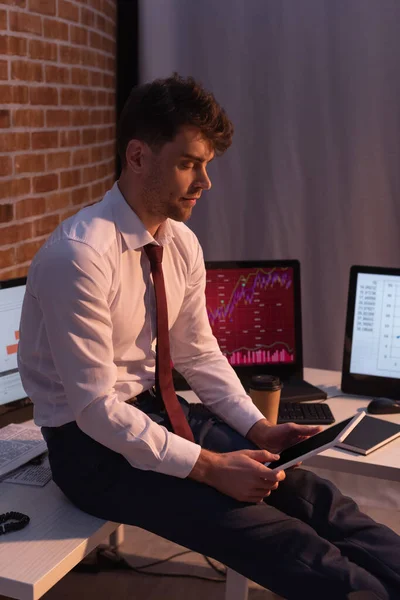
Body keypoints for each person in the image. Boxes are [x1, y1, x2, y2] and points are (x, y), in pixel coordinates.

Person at [17, 74, 400, 600]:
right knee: (286, 543)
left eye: (206, 165)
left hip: (162, 411)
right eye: (188, 163)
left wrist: (255, 428)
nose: (205, 181)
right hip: (91, 452)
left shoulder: (181, 244)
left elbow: (199, 353)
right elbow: (96, 410)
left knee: (317, 500)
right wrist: (211, 468)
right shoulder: (78, 257)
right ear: (137, 157)